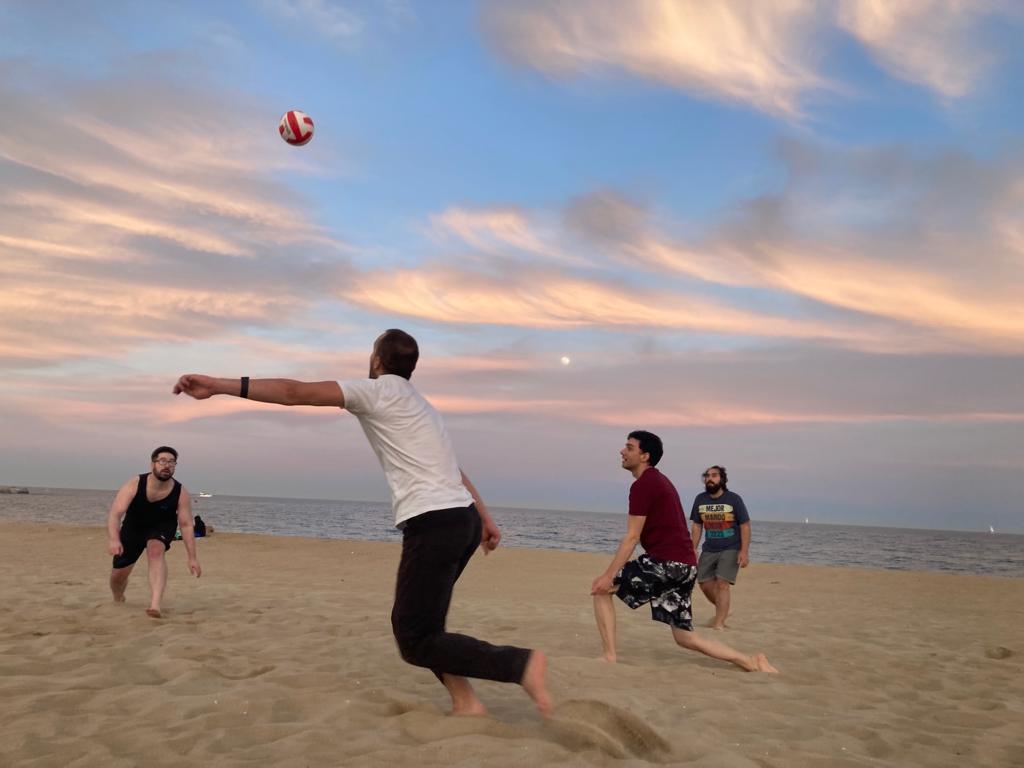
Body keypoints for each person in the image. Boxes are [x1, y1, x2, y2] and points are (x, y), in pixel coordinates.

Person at [173, 329, 551, 716]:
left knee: (416, 637)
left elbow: (293, 392)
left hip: (436, 523)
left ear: (376, 361)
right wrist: (484, 517)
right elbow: (452, 468)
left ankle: (519, 665)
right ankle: (465, 702)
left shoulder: (378, 392)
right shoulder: (421, 405)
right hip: (461, 519)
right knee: (422, 623)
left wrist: (218, 386)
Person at [590, 431, 776, 673]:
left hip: (666, 563)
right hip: (685, 567)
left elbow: (632, 537)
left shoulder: (644, 485)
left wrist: (608, 575)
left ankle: (609, 656)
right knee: (685, 638)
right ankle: (750, 661)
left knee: (601, 589)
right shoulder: (659, 481)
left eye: (629, 447)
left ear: (645, 456)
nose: (622, 451)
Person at [107, 446, 202, 618]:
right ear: (153, 464)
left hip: (161, 526)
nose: (167, 466)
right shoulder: (135, 483)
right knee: (117, 577)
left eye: (172, 462)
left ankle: (155, 605)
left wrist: (192, 558)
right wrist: (114, 539)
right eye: (163, 461)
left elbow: (187, 525)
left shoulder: (180, 492)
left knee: (155, 550)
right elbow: (116, 513)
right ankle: (118, 596)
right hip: (133, 527)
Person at [689, 465, 750, 630]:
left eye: (714, 475)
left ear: (722, 479)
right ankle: (724, 609)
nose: (710, 478)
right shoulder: (700, 499)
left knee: (722, 583)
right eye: (707, 476)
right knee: (703, 582)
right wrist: (692, 548)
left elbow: (745, 525)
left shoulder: (734, 499)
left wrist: (744, 551)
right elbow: (697, 525)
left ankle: (719, 623)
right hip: (709, 548)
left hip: (731, 547)